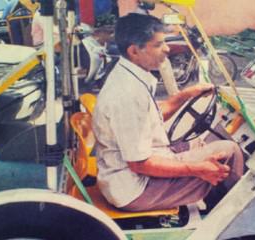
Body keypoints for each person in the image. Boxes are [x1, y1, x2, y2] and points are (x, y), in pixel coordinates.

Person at [92, 13, 244, 212]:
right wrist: (198, 169)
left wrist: (185, 95)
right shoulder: (127, 95)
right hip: (136, 188)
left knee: (206, 141)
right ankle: (230, 215)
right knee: (229, 150)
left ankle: (214, 201)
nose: (167, 49)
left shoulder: (129, 75)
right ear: (134, 51)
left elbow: (150, 117)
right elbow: (140, 164)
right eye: (158, 45)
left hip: (136, 169)